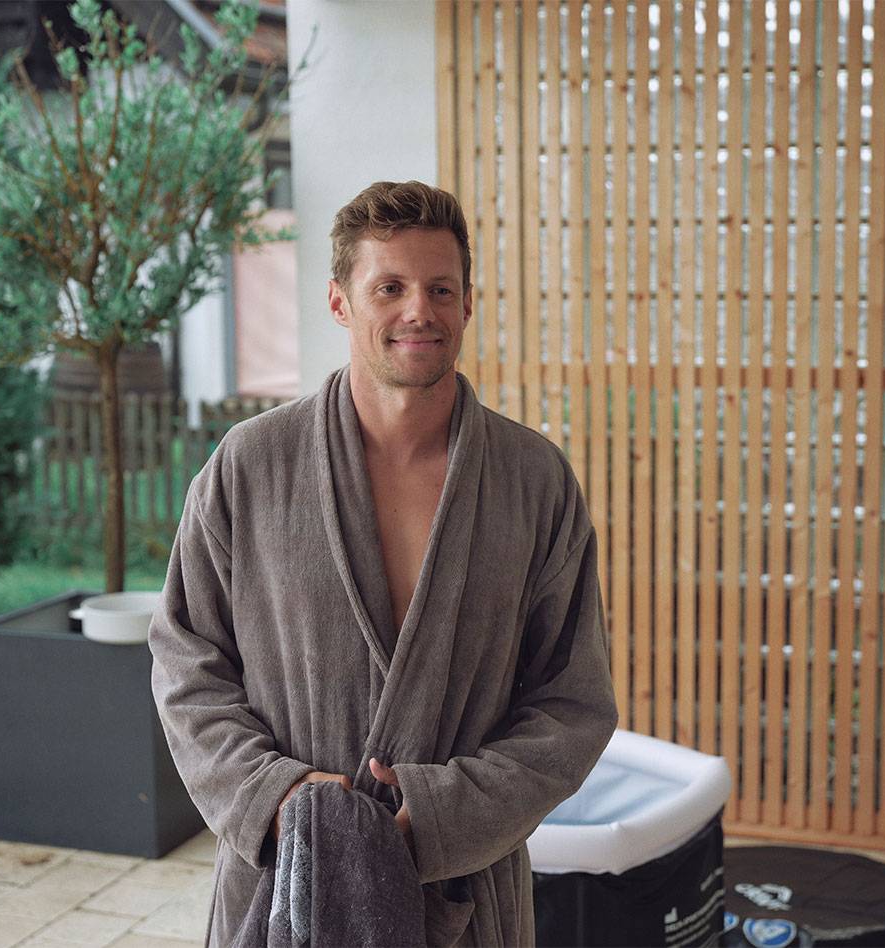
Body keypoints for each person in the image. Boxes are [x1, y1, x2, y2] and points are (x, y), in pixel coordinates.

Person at [149, 180, 618, 947]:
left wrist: (442, 814)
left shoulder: (533, 482)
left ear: (468, 302)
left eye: (441, 289)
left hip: (464, 895)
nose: (418, 311)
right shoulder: (251, 465)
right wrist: (275, 795)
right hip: (285, 879)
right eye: (389, 288)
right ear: (340, 302)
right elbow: (185, 661)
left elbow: (573, 702)